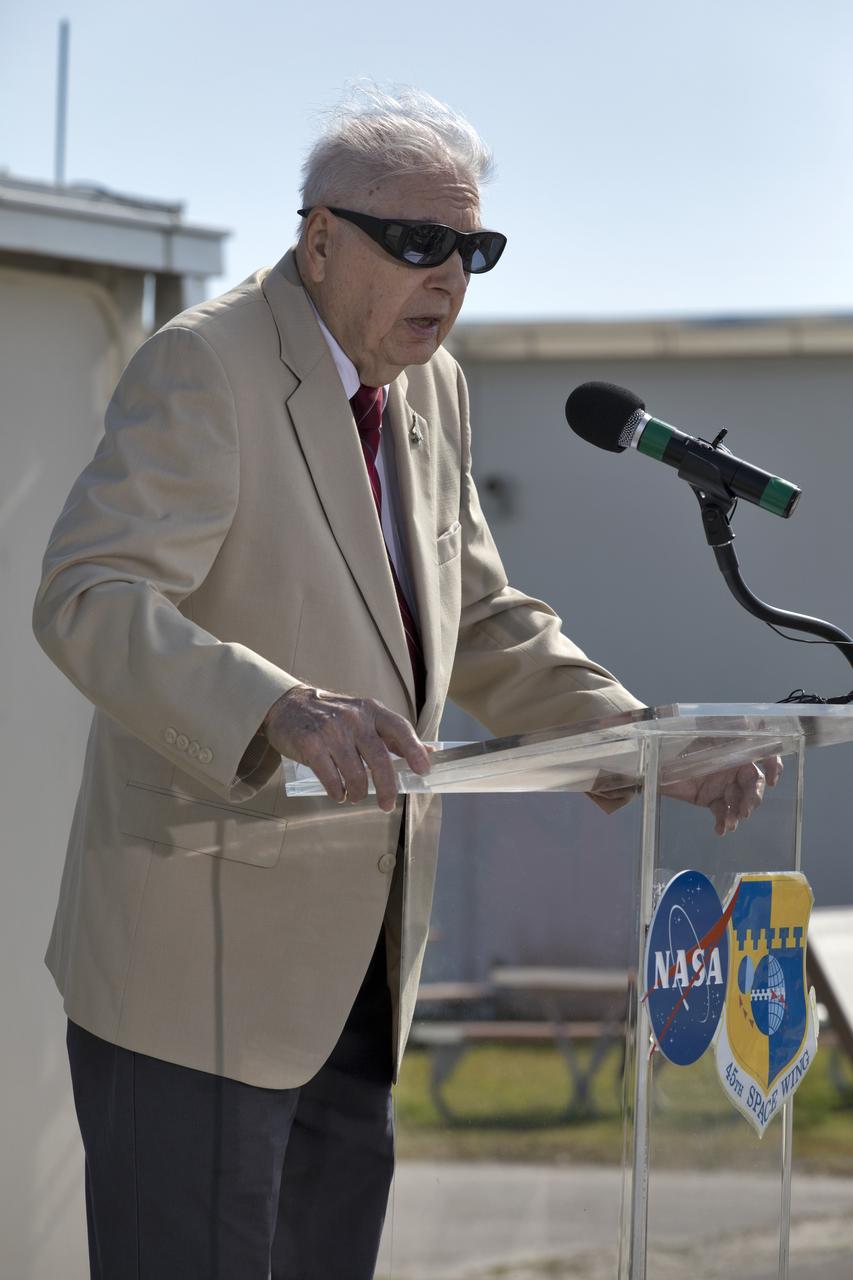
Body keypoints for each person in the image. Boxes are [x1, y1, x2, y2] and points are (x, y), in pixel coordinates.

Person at [32, 85, 773, 1280]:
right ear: (317, 238)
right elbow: (88, 595)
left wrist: (636, 737)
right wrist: (272, 703)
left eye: (473, 249)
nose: (450, 277)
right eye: (417, 244)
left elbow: (477, 615)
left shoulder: (434, 387)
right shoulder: (205, 367)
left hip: (363, 978)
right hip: (197, 981)